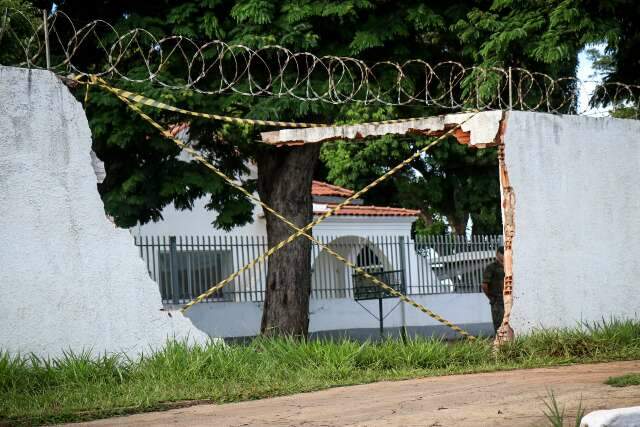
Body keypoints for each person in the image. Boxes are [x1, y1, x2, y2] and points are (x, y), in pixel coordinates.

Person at [481, 246, 505, 334]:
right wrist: (491, 298)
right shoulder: (491, 267)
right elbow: (484, 285)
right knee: (500, 325)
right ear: (497, 254)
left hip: (509, 299)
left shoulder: (510, 266)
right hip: (497, 300)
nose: (504, 256)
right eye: (502, 253)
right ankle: (500, 345)